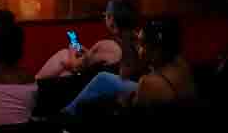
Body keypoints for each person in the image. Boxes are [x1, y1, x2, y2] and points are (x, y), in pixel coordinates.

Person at [62, 17, 194, 115]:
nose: (139, 49)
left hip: (151, 96)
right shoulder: (181, 63)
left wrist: (73, 46)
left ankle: (65, 115)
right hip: (174, 101)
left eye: (142, 44)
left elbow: (74, 66)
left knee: (99, 79)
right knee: (104, 78)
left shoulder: (147, 83)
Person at [36, 0, 141, 81]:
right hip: (102, 84)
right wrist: (82, 49)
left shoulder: (108, 45)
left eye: (106, 14)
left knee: (64, 55)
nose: (104, 16)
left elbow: (77, 66)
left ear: (111, 20)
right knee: (65, 73)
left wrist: (72, 47)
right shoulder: (137, 44)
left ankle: (36, 83)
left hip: (93, 88)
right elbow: (91, 58)